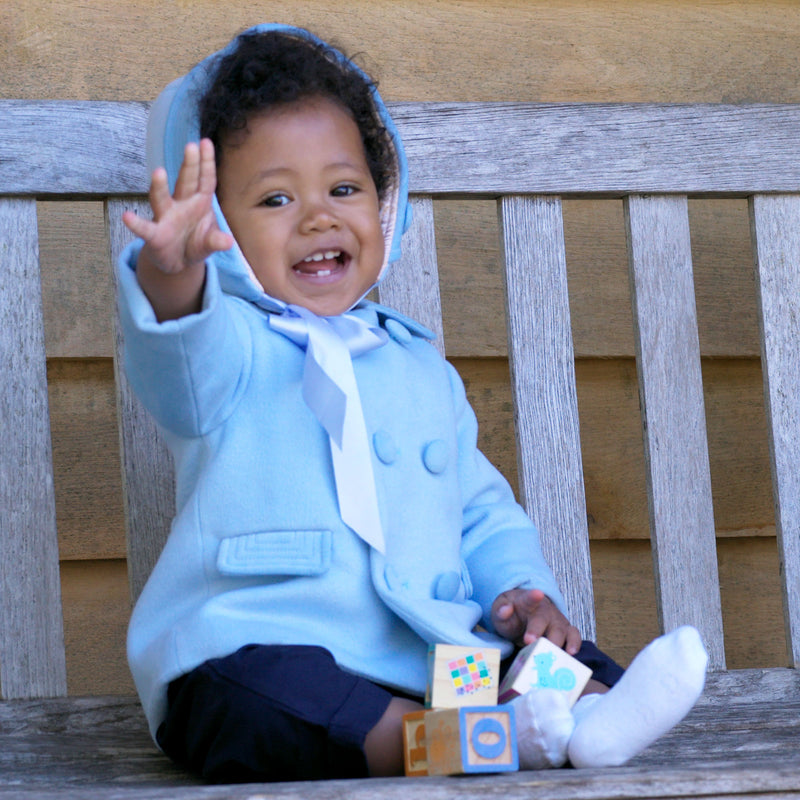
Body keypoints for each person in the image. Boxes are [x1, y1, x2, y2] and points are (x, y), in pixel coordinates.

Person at [118, 23, 708, 783]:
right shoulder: (229, 347)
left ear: (384, 201)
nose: (318, 218)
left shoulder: (416, 365)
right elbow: (178, 357)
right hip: (274, 643)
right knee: (256, 698)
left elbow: (479, 510)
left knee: (554, 659)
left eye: (344, 188)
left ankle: (590, 718)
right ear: (219, 226)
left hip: (432, 661)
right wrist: (172, 276)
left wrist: (524, 597)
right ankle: (487, 745)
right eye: (273, 198)